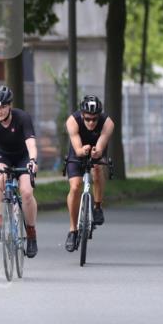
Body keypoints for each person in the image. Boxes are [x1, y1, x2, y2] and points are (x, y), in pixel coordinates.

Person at [0, 85, 40, 258]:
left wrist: (33, 161)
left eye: (3, 106)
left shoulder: (22, 117)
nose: (0, 111)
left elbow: (31, 143)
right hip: (1, 155)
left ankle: (31, 234)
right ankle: (0, 222)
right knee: (1, 179)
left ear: (10, 105)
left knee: (26, 192)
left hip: (22, 157)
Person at [63, 95, 115, 252]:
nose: (91, 122)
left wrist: (96, 152)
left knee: (97, 169)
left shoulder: (108, 123)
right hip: (77, 151)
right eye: (87, 119)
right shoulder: (73, 121)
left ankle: (98, 206)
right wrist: (81, 150)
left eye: (94, 119)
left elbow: (101, 144)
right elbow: (77, 146)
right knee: (75, 187)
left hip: (96, 151)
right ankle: (73, 230)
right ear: (82, 115)